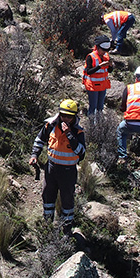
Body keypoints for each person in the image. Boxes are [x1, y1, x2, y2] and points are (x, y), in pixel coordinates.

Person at [29, 99, 86, 231]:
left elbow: (81, 153)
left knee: (67, 199)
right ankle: (47, 225)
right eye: (63, 115)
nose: (66, 119)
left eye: (69, 117)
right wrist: (34, 155)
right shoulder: (50, 126)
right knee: (48, 195)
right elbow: (39, 140)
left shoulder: (78, 132)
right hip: (51, 168)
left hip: (68, 171)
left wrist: (69, 135)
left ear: (74, 117)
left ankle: (66, 229)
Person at [82, 36, 112, 115]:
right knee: (93, 107)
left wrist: (110, 66)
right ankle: (91, 122)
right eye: (103, 50)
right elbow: (89, 71)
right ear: (97, 47)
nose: (104, 52)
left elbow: (109, 70)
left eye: (106, 50)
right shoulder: (91, 57)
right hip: (92, 86)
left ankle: (99, 122)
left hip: (102, 86)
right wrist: (99, 66)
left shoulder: (106, 56)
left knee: (100, 107)